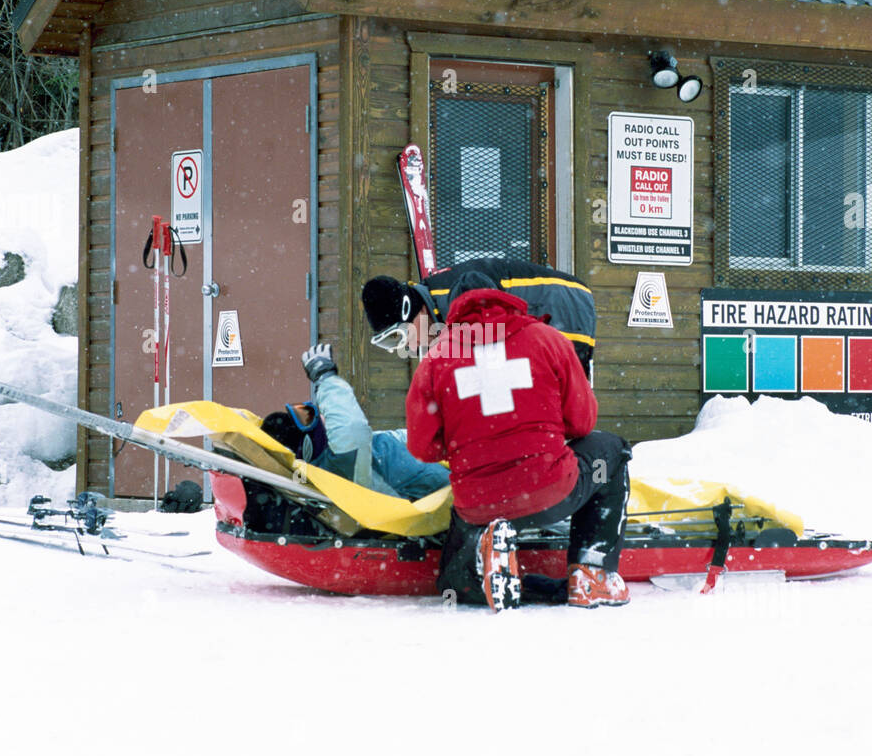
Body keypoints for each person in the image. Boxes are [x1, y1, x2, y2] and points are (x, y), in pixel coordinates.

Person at [405, 286, 631, 611]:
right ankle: (591, 573)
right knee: (611, 450)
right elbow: (583, 422)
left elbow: (423, 448)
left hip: (478, 506)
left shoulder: (437, 358)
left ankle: (489, 562)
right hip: (549, 490)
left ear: (454, 311)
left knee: (456, 587)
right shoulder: (548, 339)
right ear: (507, 301)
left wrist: (466, 442)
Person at [260, 343, 450, 501]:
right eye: (308, 416)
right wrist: (325, 377)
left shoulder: (342, 457)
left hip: (446, 464)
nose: (319, 414)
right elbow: (352, 429)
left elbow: (394, 440)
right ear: (308, 444)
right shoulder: (339, 465)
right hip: (449, 493)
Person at [361, 257, 596, 376]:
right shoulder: (439, 306)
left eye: (398, 337)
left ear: (411, 310)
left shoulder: (457, 297)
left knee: (563, 385)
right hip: (554, 309)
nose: (407, 349)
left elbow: (494, 351)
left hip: (562, 303)